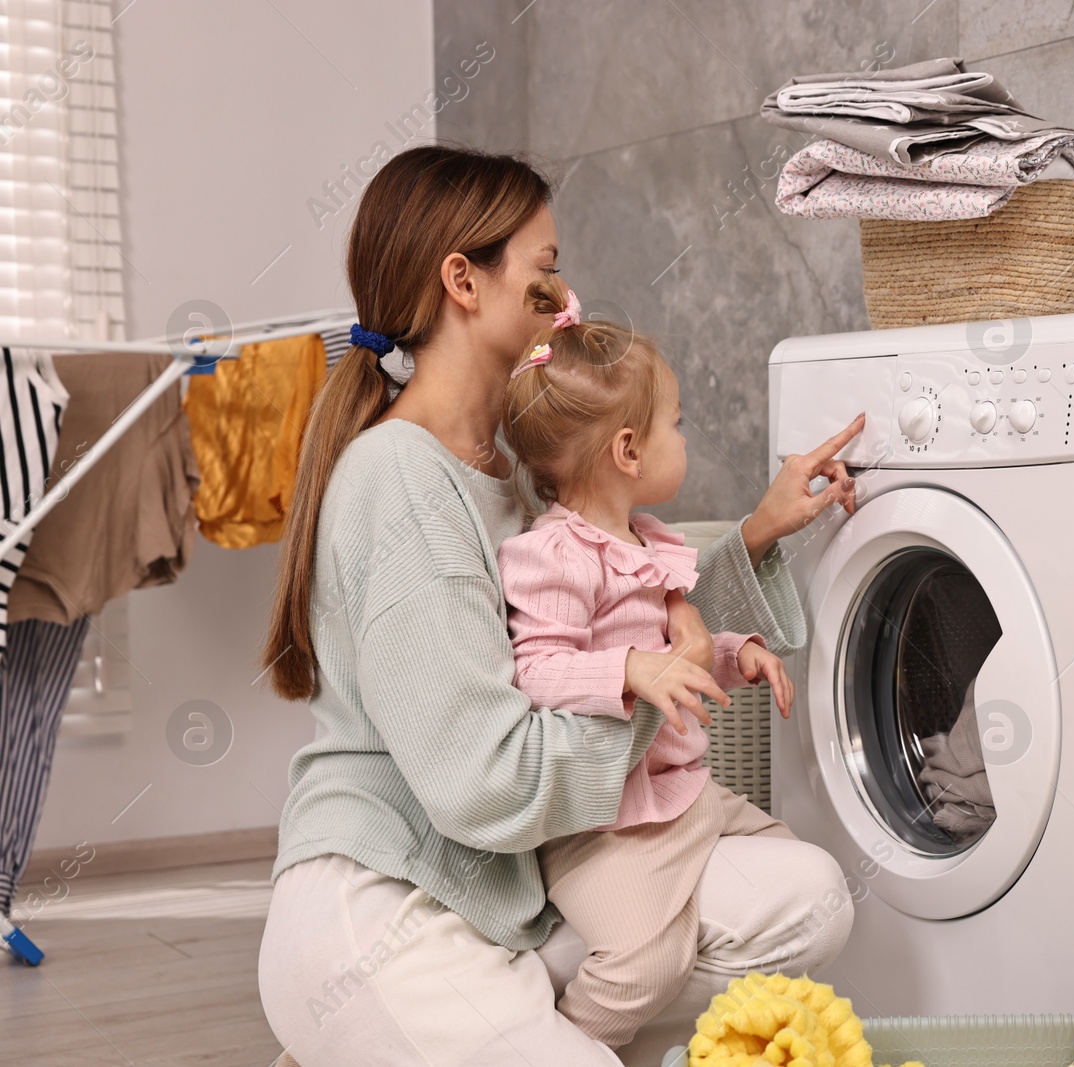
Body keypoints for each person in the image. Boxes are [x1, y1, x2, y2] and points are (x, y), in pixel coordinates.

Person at [255, 144, 865, 1067]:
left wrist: (759, 532)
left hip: (510, 883)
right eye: (544, 273)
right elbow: (485, 776)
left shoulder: (507, 473)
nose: (565, 296)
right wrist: (652, 676)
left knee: (809, 898)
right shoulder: (398, 480)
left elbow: (608, 608)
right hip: (387, 901)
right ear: (464, 280)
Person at [498, 276, 799, 1049]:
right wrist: (628, 670)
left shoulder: (648, 539)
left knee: (790, 867)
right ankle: (559, 1046)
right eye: (678, 423)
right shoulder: (556, 556)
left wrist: (738, 655)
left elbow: (679, 659)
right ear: (628, 450)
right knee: (645, 964)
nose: (686, 437)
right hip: (612, 822)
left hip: (683, 792)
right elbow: (535, 669)